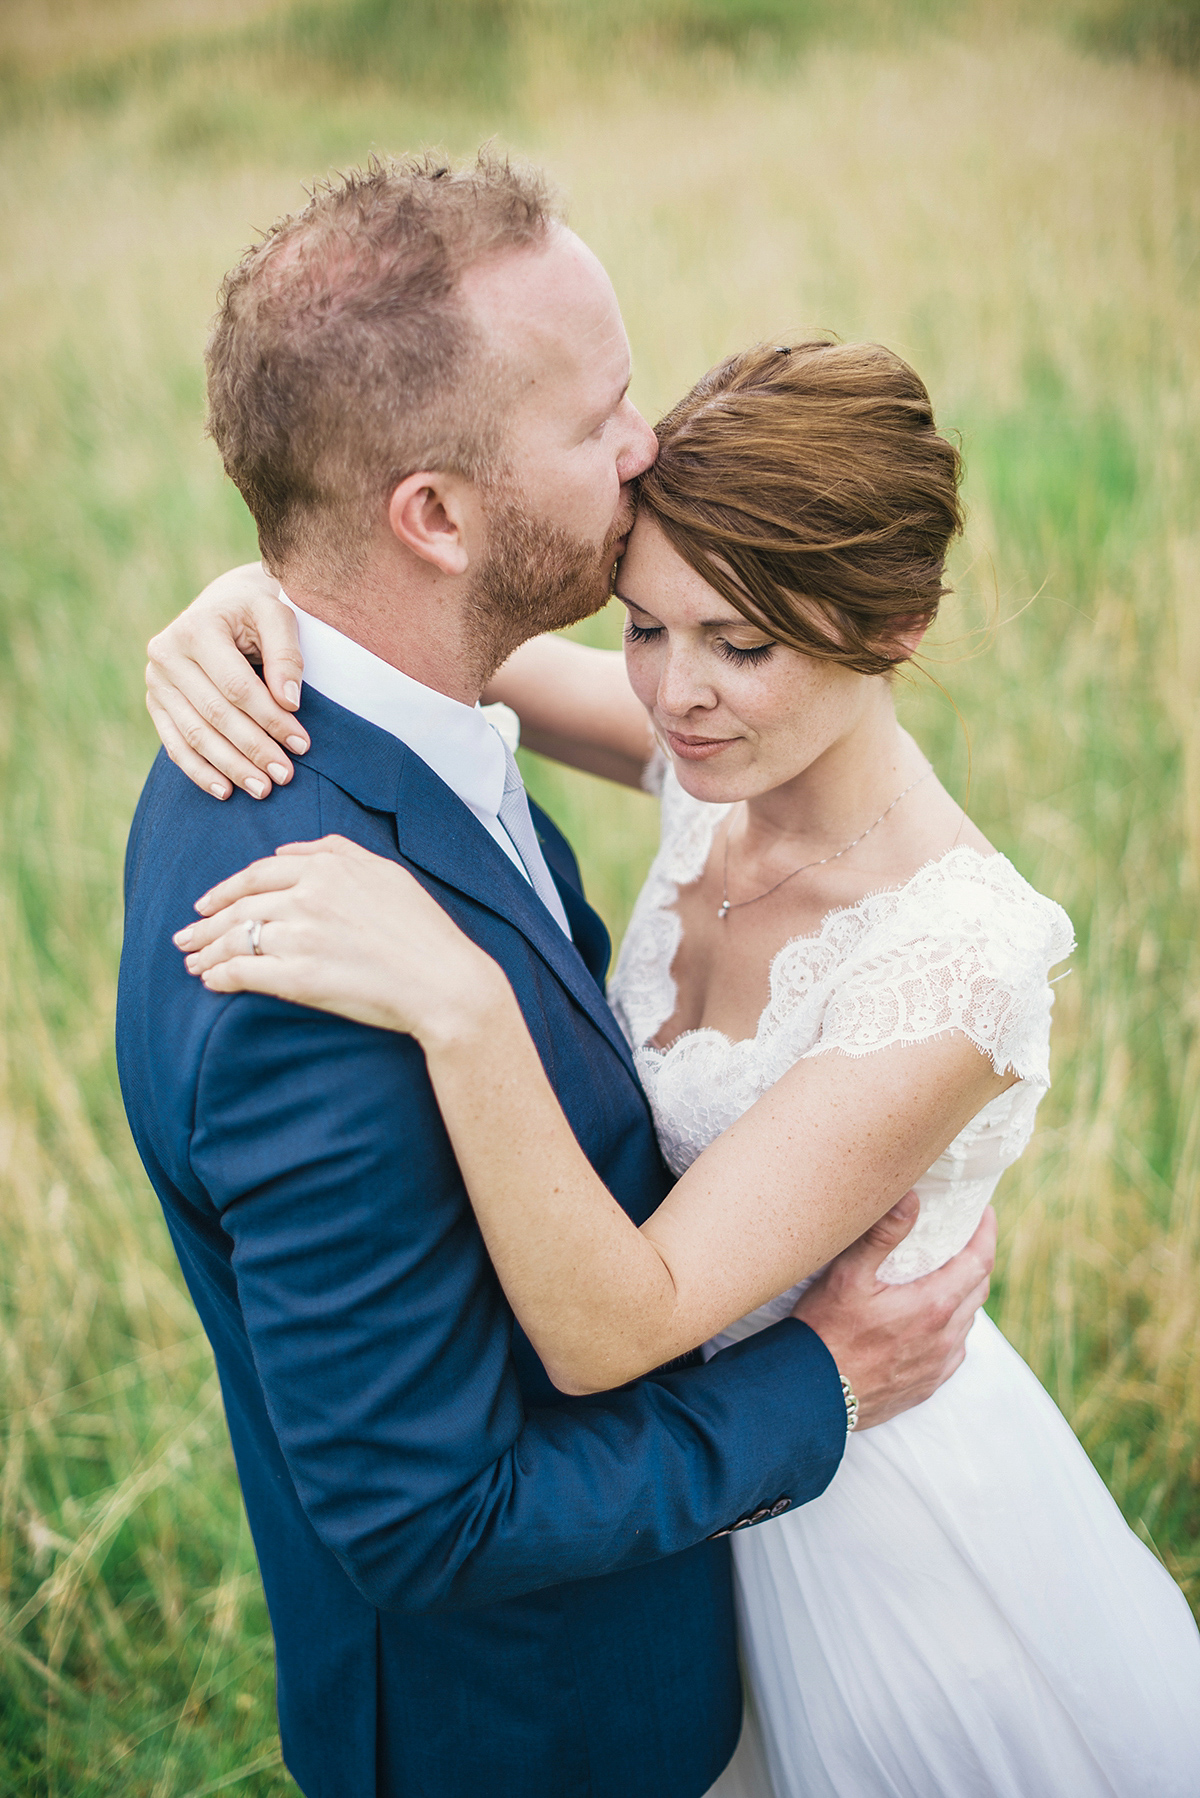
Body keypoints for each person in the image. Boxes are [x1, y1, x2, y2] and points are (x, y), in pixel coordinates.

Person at [154, 333, 1200, 1789]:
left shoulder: (960, 955)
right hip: (685, 1502)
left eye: (742, 642)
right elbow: (413, 637)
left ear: (893, 622)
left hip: (875, 1509)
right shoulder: (708, 767)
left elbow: (613, 1325)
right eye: (646, 626)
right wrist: (236, 608)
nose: (672, 688)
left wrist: (463, 1003)